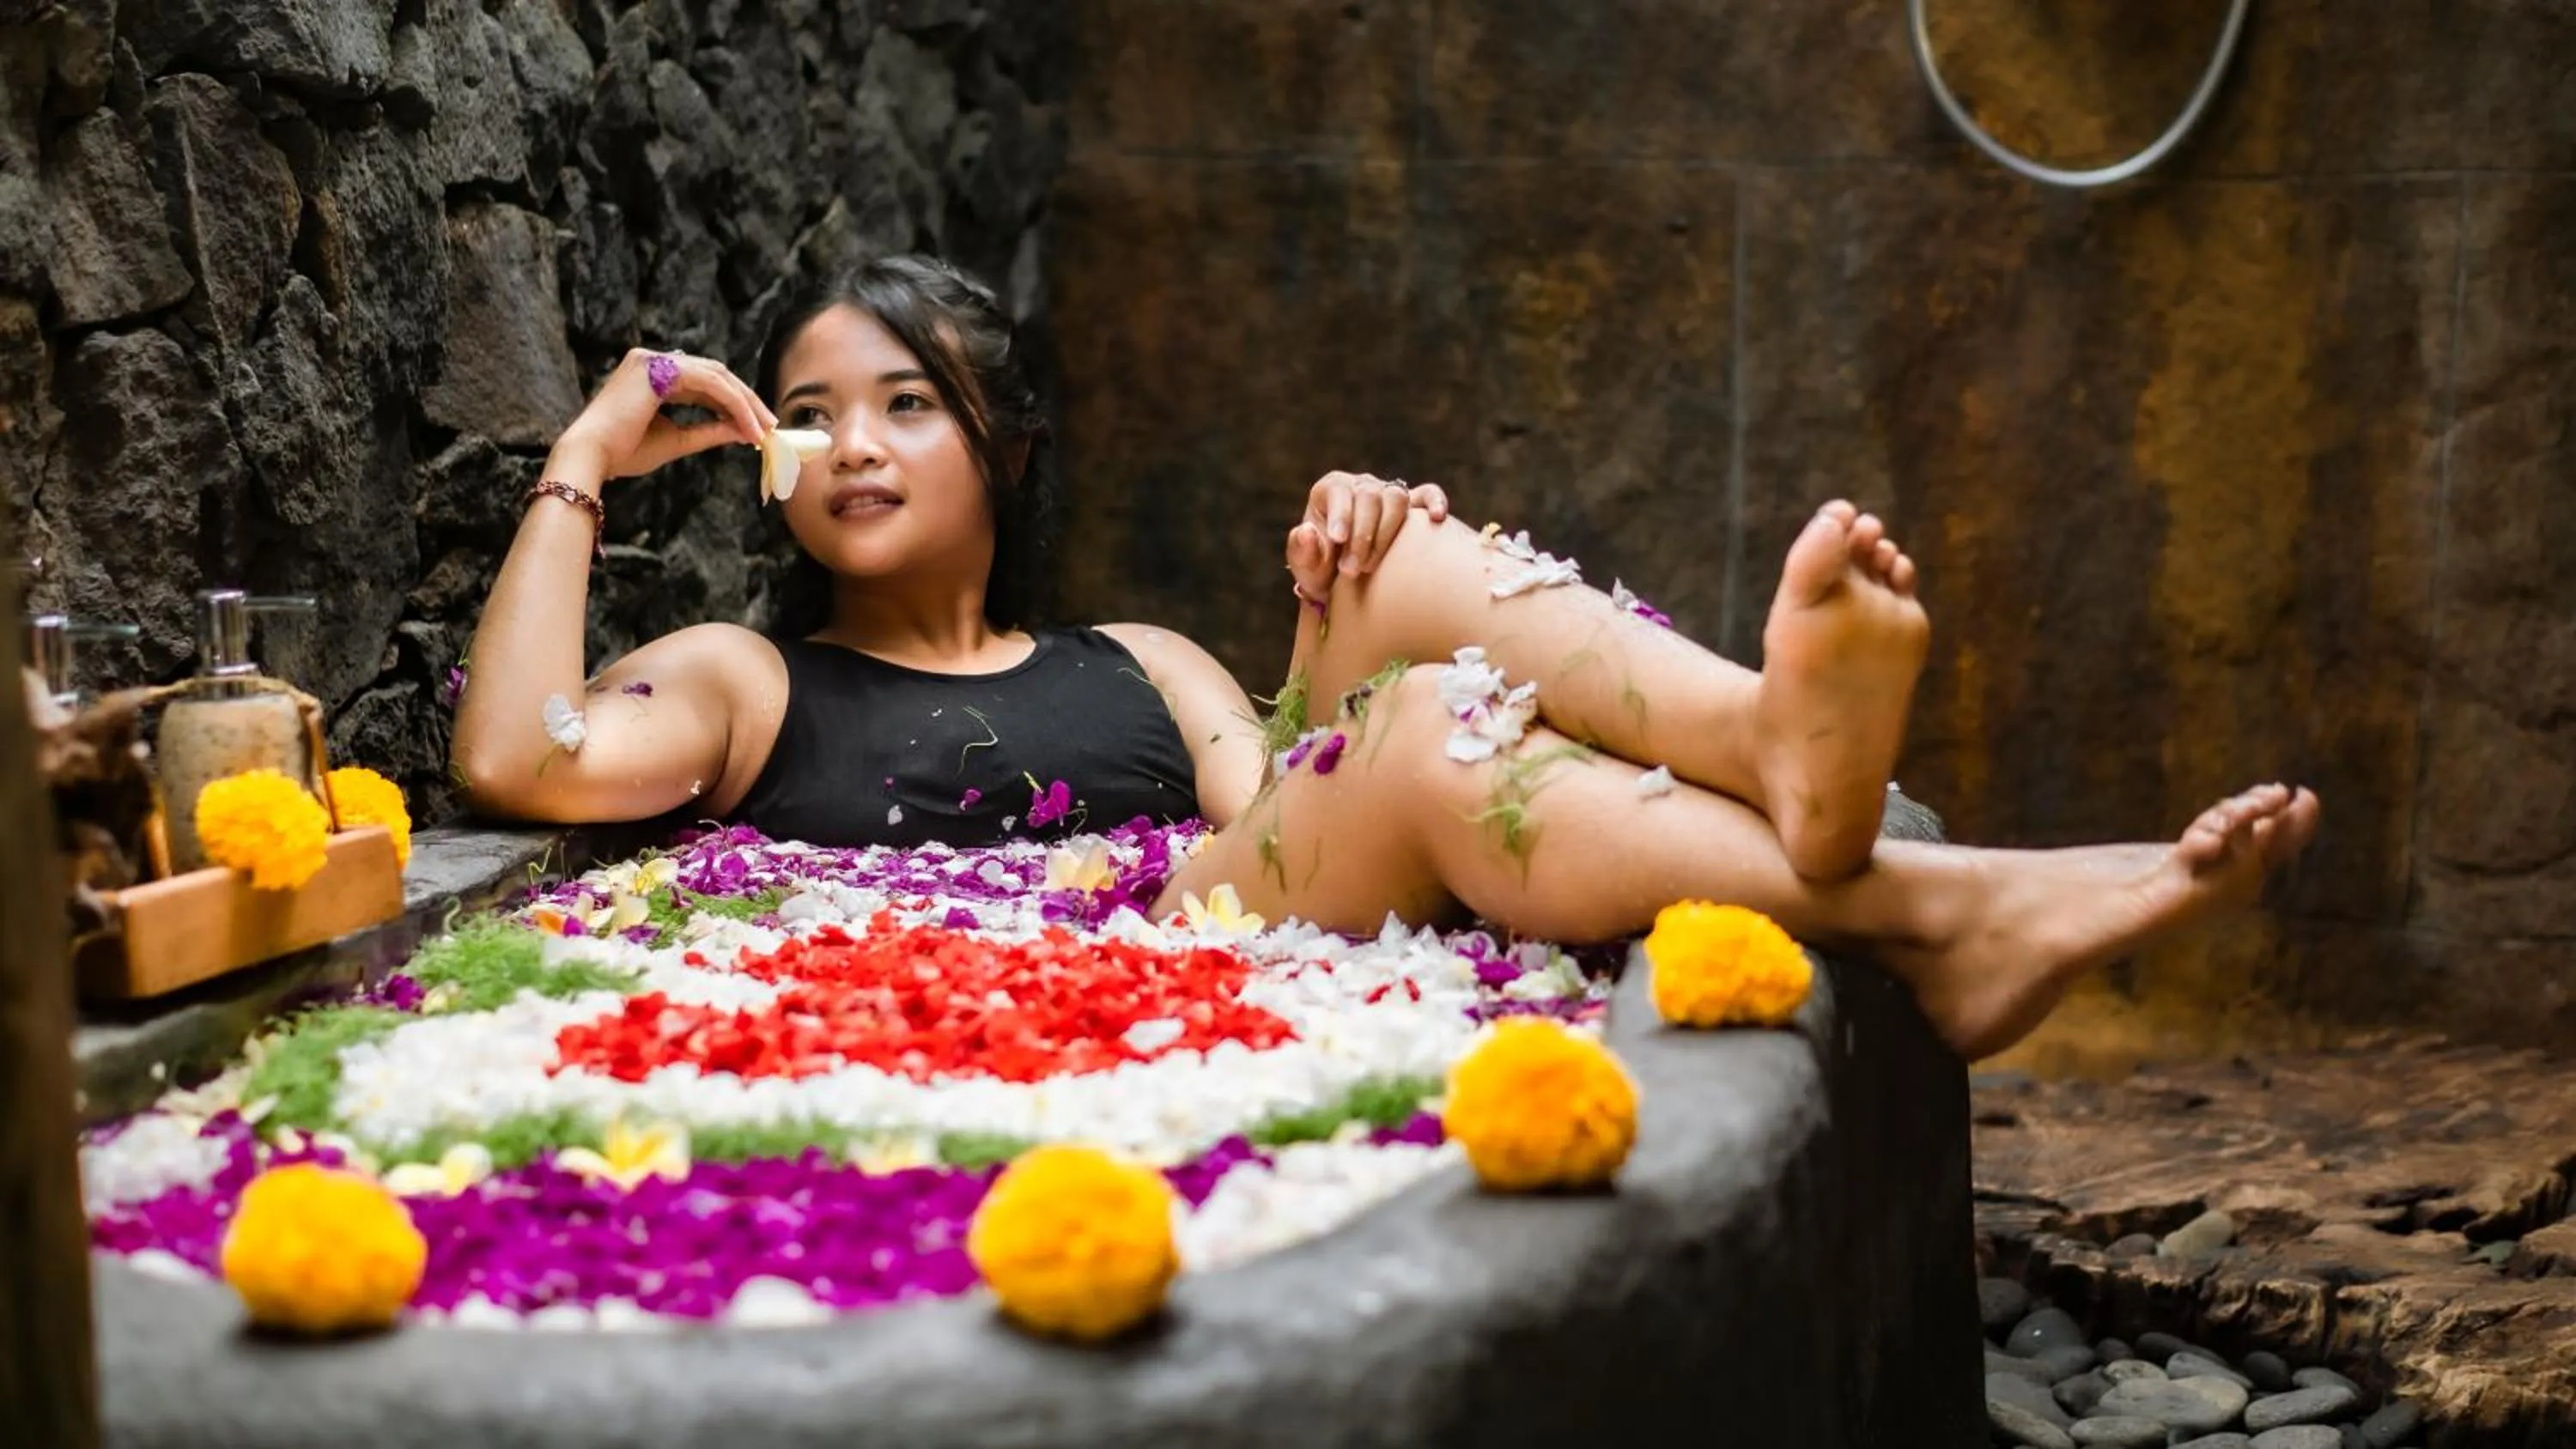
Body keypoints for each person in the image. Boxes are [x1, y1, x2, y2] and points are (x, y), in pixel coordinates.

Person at [453, 254, 2318, 1061]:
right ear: (765, 464)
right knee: (1424, 729)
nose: (853, 441)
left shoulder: (1146, 658)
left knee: (1397, 557)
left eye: (906, 404)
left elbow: (1297, 810)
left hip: (1223, 890)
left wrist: (1348, 576)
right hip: (1091, 975)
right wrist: (585, 462)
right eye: (809, 412)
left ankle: (1773, 740)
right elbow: (521, 761)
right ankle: (1932, 893)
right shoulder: (742, 681)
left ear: (1002, 448)